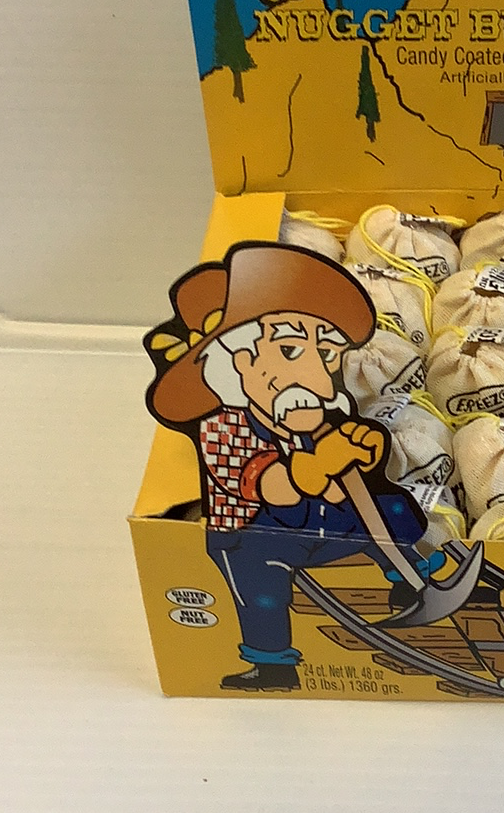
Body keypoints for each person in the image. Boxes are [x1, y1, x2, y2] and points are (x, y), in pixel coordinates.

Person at [144, 241, 429, 692]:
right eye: (292, 350)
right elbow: (275, 487)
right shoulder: (223, 428)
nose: (319, 376)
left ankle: (411, 579)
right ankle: (272, 664)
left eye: (326, 353)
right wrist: (324, 462)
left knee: (391, 508)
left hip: (316, 520)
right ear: (241, 361)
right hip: (252, 534)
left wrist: (365, 448)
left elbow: (342, 483)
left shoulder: (304, 412)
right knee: (261, 589)